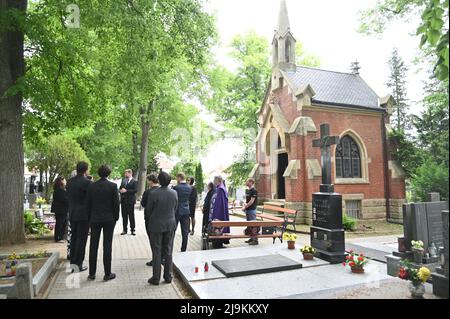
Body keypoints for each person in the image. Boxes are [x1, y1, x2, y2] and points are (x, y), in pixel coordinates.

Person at [85, 165, 119, 282]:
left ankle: (91, 273)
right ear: (109, 174)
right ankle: (107, 273)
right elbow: (116, 204)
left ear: (98, 173)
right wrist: (116, 217)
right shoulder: (113, 186)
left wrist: (89, 218)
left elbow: (88, 204)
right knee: (107, 246)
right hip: (109, 219)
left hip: (94, 219)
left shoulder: (91, 186)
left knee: (93, 245)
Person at [146, 171, 178, 285]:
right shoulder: (174, 193)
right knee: (168, 250)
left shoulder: (153, 193)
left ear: (159, 180)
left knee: (157, 251)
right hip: (170, 224)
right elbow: (175, 208)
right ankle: (168, 276)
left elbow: (148, 210)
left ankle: (156, 277)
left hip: (156, 225)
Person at [67, 162, 92, 272]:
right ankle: (78, 264)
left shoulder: (70, 182)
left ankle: (72, 263)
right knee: (81, 240)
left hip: (72, 213)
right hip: (83, 215)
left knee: (73, 238)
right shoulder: (87, 183)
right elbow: (90, 199)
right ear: (86, 170)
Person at [141, 173, 160, 267]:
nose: (147, 182)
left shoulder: (148, 192)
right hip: (162, 219)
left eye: (148, 180)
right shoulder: (164, 190)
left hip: (150, 219)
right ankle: (161, 258)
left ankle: (155, 259)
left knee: (153, 241)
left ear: (151, 181)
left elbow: (143, 204)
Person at [208, 176, 230, 248]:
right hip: (219, 211)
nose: (214, 182)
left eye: (215, 180)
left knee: (218, 227)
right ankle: (218, 242)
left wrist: (215, 214)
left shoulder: (220, 189)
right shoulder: (220, 188)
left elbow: (218, 204)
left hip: (218, 213)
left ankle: (218, 243)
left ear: (219, 181)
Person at [173, 173, 191, 252]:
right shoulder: (189, 187)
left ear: (179, 178)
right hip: (186, 211)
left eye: (177, 178)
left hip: (177, 211)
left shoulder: (176, 187)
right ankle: (183, 249)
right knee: (185, 232)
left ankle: (169, 249)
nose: (177, 179)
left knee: (172, 231)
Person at [119, 169, 138, 235]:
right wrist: (120, 190)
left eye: (126, 173)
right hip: (123, 201)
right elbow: (121, 188)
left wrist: (126, 191)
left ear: (130, 173)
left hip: (130, 201)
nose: (125, 174)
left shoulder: (134, 181)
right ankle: (124, 230)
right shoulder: (123, 180)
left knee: (131, 215)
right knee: (124, 216)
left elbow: (135, 190)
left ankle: (132, 229)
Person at [51, 176, 68, 243]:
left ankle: (60, 236)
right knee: (60, 223)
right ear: (61, 182)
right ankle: (58, 237)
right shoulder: (59, 190)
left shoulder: (60, 189)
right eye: (64, 180)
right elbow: (64, 199)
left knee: (62, 223)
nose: (65, 182)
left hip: (62, 209)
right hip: (60, 209)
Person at [243, 178, 259, 245]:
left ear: (251, 182)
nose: (246, 183)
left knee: (253, 225)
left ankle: (255, 240)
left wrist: (245, 207)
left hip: (252, 210)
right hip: (248, 210)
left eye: (247, 182)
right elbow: (247, 200)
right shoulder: (248, 190)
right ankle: (251, 238)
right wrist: (244, 205)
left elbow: (252, 201)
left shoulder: (254, 191)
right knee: (249, 225)